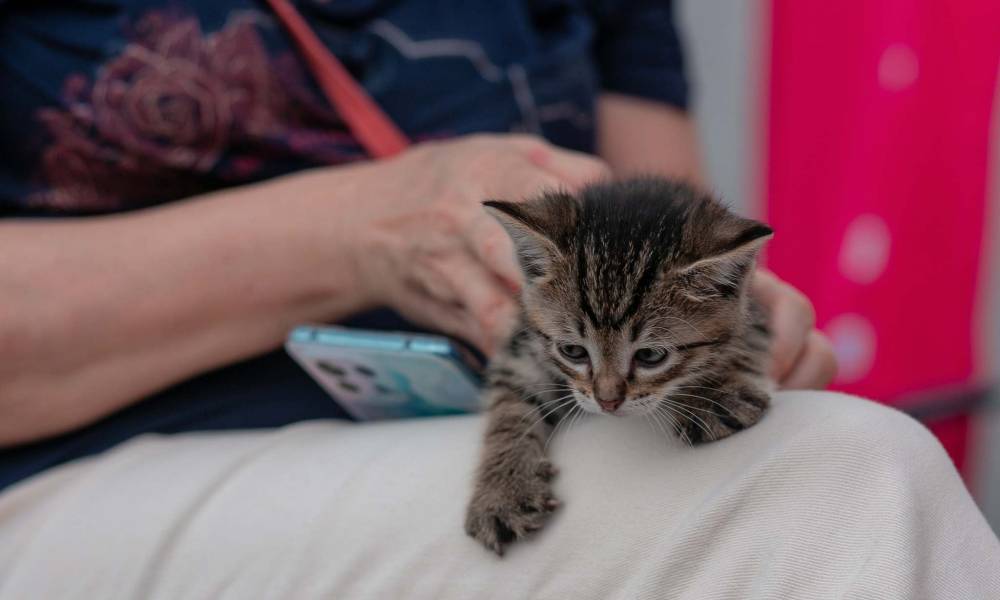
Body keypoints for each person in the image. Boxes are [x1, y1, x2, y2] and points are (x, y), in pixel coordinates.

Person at [0, 1, 996, 598]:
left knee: (804, 455)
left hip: (502, 429)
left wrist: (738, 332)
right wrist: (362, 229)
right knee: (835, 485)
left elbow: (669, 206)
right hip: (82, 463)